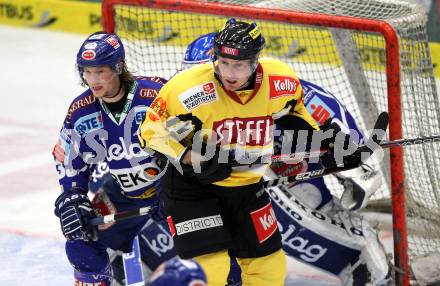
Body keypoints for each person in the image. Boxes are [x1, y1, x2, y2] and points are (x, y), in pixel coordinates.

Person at [138, 18, 348, 285]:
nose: (229, 73)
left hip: (247, 187)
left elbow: (294, 114)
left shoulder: (279, 81)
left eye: (238, 65)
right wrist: (191, 157)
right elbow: (149, 130)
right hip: (192, 189)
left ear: (254, 61)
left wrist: (328, 145)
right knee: (210, 270)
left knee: (269, 269)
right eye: (223, 63)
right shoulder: (187, 87)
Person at [179, 32, 389, 285]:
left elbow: (363, 173)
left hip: (301, 195)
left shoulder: (302, 98)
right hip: (237, 205)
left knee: (362, 251)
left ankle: (363, 262)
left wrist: (350, 168)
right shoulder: (191, 110)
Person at [52, 31, 176, 285]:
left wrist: (178, 190)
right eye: (86, 72)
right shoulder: (81, 111)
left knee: (208, 245)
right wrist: (72, 197)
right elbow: (69, 159)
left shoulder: (155, 95)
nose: (92, 80)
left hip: (172, 190)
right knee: (80, 238)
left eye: (99, 72)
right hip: (122, 193)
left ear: (118, 67)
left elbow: (190, 144)